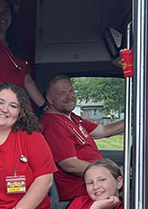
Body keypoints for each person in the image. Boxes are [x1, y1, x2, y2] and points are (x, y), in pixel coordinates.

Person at [41, 74, 124, 202]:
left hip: (95, 188)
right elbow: (70, 164)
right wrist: (111, 173)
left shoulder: (72, 118)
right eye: (62, 94)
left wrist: (134, 119)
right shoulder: (54, 124)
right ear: (50, 100)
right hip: (83, 194)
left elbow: (103, 131)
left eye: (71, 91)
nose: (69, 97)